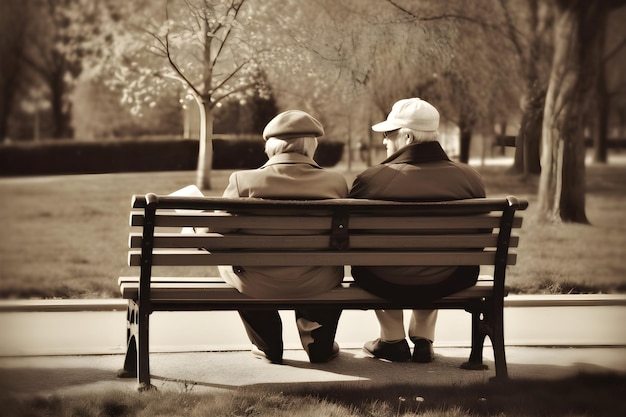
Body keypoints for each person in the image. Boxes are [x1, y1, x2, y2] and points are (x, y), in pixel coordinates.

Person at [349, 98, 486, 363]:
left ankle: (391, 338)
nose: (384, 141)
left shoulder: (370, 180)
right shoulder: (470, 179)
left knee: (376, 261)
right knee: (439, 257)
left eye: (389, 134)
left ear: (407, 136)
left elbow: (354, 242)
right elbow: (474, 242)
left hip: (382, 278)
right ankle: (423, 338)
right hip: (450, 276)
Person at [217, 110, 349, 365]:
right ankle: (317, 340)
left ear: (271, 147)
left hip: (258, 282)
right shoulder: (335, 182)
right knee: (319, 267)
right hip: (318, 280)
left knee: (232, 268)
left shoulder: (242, 181)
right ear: (311, 146)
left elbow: (214, 236)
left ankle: (267, 345)